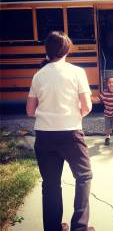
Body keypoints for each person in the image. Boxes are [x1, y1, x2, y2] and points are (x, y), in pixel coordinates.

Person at [26, 31, 94, 231]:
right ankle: (79, 227)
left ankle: (53, 228)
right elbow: (87, 106)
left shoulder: (38, 75)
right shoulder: (77, 72)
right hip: (71, 134)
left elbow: (30, 111)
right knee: (84, 176)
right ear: (67, 50)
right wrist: (74, 116)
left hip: (44, 136)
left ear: (48, 50)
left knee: (50, 184)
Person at [92, 77, 113, 146]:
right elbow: (98, 99)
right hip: (107, 114)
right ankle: (107, 138)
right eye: (109, 82)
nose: (111, 83)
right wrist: (89, 98)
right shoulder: (104, 93)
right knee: (107, 128)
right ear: (107, 84)